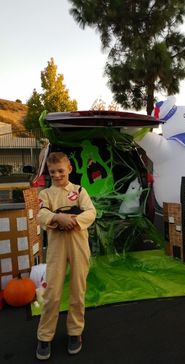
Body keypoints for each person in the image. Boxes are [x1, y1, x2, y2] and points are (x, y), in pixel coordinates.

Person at [36, 152, 96, 360]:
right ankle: (45, 336)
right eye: (52, 172)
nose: (57, 175)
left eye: (60, 170)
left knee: (78, 291)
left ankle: (75, 332)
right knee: (52, 292)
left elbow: (91, 212)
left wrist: (73, 222)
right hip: (56, 248)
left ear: (69, 169)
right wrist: (57, 217)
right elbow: (41, 214)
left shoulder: (79, 191)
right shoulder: (46, 194)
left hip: (78, 244)